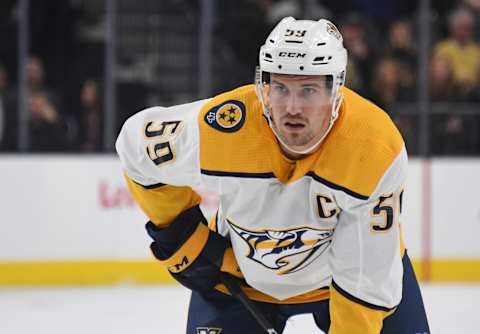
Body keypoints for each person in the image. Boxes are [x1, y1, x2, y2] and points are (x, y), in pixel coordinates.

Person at [116, 17, 430, 333]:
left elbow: (366, 281)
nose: (292, 107)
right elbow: (136, 144)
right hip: (241, 281)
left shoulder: (372, 147)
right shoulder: (227, 127)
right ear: (263, 85)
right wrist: (180, 232)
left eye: (308, 89)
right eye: (280, 87)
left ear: (336, 90)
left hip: (342, 284)